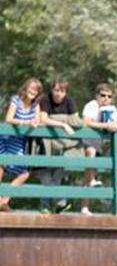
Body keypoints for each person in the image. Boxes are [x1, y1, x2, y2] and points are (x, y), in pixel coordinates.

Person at [36, 78, 81, 214]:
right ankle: (55, 203)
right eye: (56, 90)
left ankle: (53, 205)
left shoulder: (69, 101)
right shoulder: (45, 100)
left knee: (57, 176)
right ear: (52, 90)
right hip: (45, 143)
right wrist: (63, 123)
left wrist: (54, 119)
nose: (58, 93)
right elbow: (43, 119)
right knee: (45, 174)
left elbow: (77, 121)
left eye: (62, 91)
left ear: (65, 92)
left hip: (63, 145)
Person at [0, 78, 42, 212]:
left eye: (36, 90)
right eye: (31, 88)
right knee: (0, 168)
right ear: (25, 88)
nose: (33, 92)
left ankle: (3, 201)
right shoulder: (16, 100)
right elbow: (8, 118)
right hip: (5, 138)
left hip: (18, 142)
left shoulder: (36, 105)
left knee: (23, 174)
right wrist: (25, 123)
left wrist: (35, 122)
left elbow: (37, 120)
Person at [80, 82, 117, 216]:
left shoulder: (112, 109)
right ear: (97, 95)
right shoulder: (92, 105)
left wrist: (114, 125)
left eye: (109, 96)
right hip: (90, 140)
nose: (106, 99)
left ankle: (116, 207)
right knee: (90, 163)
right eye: (103, 95)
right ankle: (85, 206)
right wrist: (105, 125)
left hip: (105, 143)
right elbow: (86, 122)